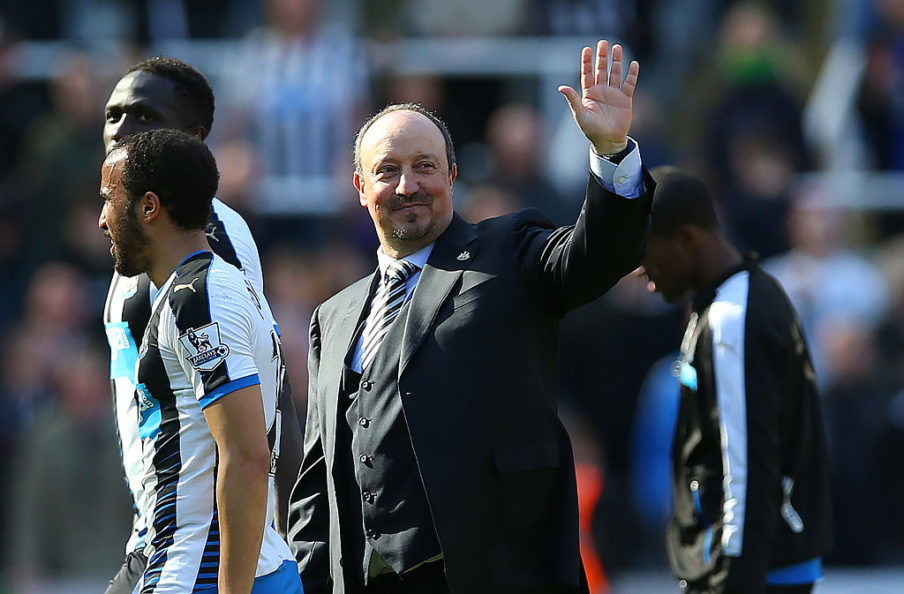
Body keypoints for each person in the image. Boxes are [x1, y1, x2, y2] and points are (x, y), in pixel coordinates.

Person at [288, 40, 652, 593]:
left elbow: (599, 255)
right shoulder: (332, 316)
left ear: (453, 175)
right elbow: (318, 484)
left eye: (425, 166)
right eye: (388, 170)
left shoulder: (509, 250)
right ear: (361, 188)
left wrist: (611, 153)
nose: (407, 185)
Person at [100, 57, 303, 593]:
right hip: (157, 535)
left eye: (145, 117)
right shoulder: (139, 248)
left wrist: (286, 537)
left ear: (192, 140)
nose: (122, 130)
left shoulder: (208, 253)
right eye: (113, 115)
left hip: (205, 554)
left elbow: (259, 403)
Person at [639, 167, 833, 594]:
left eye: (645, 250)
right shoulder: (738, 298)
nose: (639, 270)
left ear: (687, 240)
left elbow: (747, 466)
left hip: (750, 571)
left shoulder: (733, 317)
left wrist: (733, 578)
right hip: (757, 562)